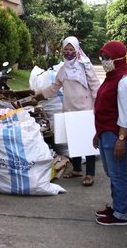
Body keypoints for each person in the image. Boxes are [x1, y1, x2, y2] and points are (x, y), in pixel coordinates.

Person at [34, 36, 101, 186]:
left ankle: (90, 174)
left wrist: (98, 106)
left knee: (87, 143)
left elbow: (95, 86)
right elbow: (54, 88)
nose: (69, 52)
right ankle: (77, 169)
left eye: (71, 50)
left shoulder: (86, 67)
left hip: (86, 111)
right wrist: (39, 94)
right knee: (74, 142)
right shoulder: (63, 70)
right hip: (69, 111)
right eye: (66, 50)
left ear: (77, 50)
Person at [93, 40, 127, 226]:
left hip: (117, 135)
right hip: (107, 132)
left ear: (119, 58)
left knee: (118, 174)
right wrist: (98, 133)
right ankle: (117, 206)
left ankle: (121, 214)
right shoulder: (112, 76)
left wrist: (121, 139)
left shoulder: (125, 81)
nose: (104, 61)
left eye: (108, 57)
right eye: (103, 57)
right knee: (112, 172)